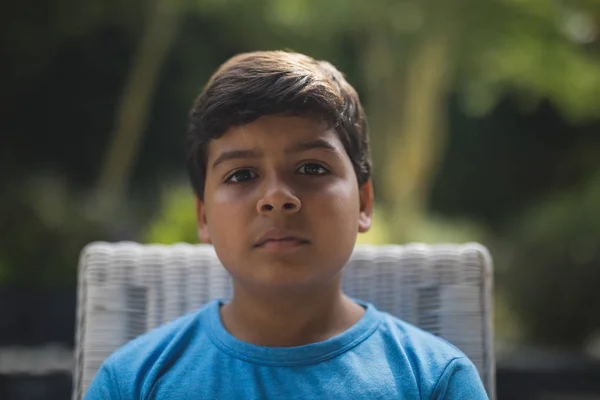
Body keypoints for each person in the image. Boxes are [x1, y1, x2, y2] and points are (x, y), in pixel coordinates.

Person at [84, 50, 489, 399]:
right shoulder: (133, 384)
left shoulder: (435, 382)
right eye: (241, 175)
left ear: (364, 203)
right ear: (203, 217)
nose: (277, 197)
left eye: (311, 167)